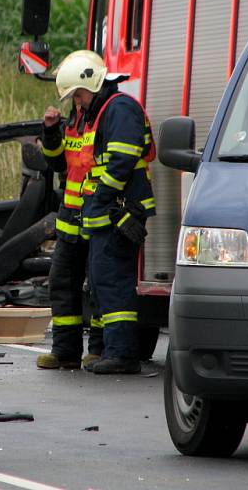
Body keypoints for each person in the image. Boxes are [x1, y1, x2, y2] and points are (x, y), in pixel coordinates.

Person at [58, 51, 156, 375]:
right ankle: (109, 351)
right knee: (102, 283)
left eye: (79, 95)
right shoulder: (105, 111)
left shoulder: (120, 109)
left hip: (118, 211)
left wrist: (100, 198)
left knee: (113, 283)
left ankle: (122, 355)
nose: (79, 103)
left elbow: (121, 161)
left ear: (93, 84)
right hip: (109, 211)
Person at [37, 52, 106, 371]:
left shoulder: (107, 115)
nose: (76, 101)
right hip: (71, 220)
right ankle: (65, 352)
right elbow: (58, 163)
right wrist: (51, 131)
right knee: (62, 282)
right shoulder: (77, 118)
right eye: (73, 97)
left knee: (100, 286)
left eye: (78, 95)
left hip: (98, 217)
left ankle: (100, 351)